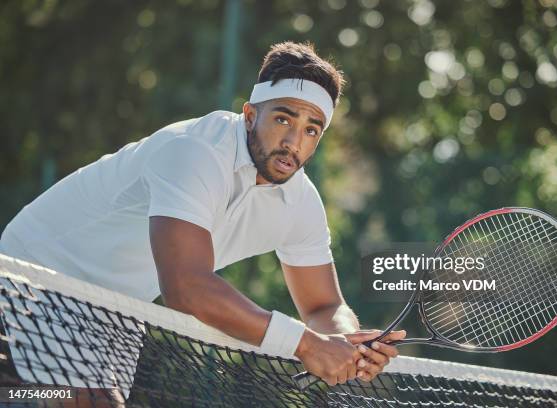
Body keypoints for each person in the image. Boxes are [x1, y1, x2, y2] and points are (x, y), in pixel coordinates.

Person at [0, 41, 405, 405]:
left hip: (116, 305)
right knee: (82, 401)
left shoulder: (301, 203)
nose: (293, 142)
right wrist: (305, 344)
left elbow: (323, 305)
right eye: (283, 119)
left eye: (311, 130)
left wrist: (349, 341)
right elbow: (185, 286)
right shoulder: (194, 151)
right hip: (37, 272)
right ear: (249, 115)